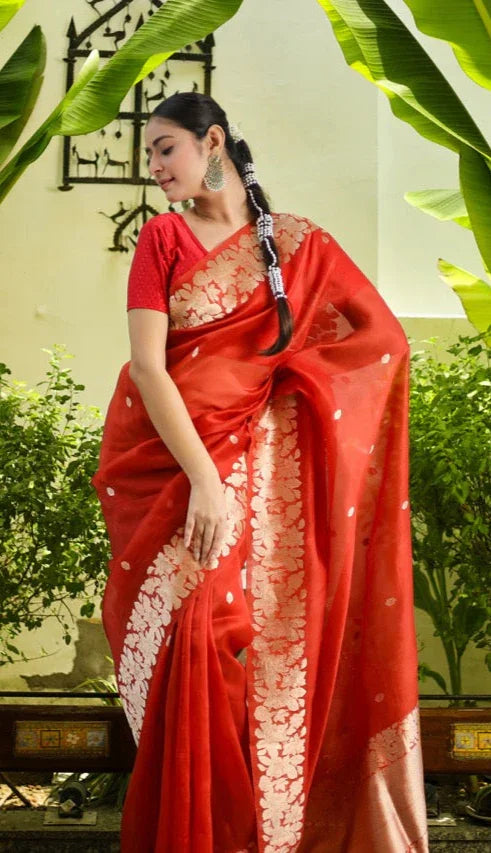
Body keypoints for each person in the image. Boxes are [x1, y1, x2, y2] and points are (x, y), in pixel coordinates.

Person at [91, 92, 428, 852]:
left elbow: (382, 343)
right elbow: (148, 368)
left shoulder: (300, 245)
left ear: (212, 142)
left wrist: (285, 399)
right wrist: (206, 481)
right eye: (149, 155)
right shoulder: (163, 237)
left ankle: (257, 833)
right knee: (193, 643)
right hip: (174, 475)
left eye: (166, 148)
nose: (154, 167)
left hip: (260, 474)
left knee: (254, 649)